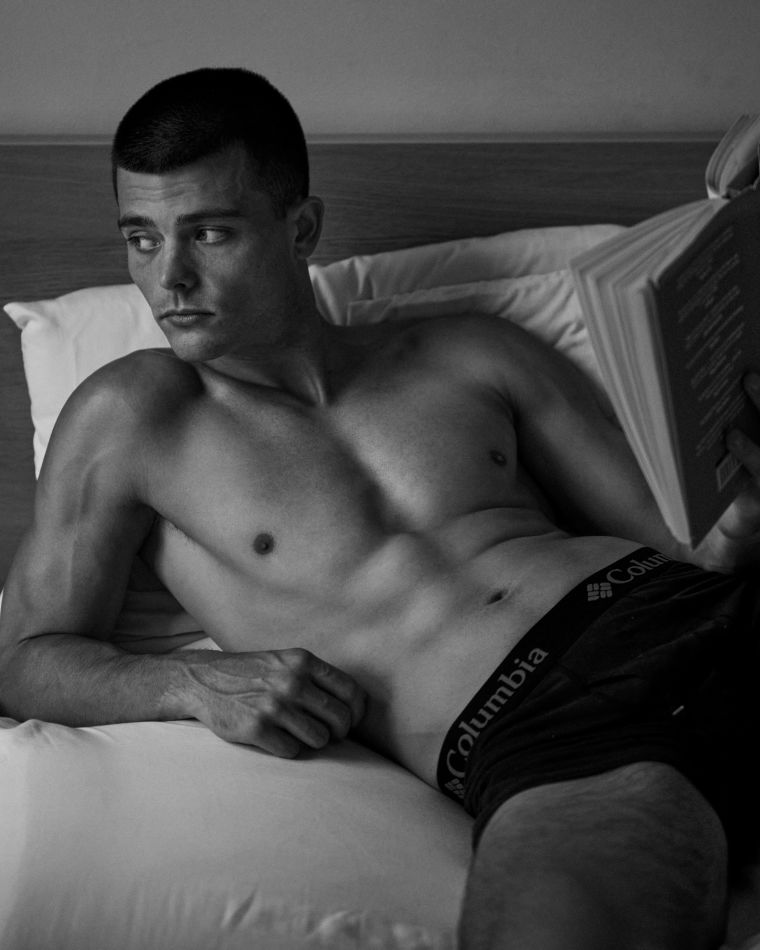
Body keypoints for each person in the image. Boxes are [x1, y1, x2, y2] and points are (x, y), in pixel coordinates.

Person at [1, 66, 759, 950]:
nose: (169, 276)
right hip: (549, 729)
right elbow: (22, 657)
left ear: (301, 228)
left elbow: (686, 543)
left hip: (697, 609)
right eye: (141, 238)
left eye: (209, 232)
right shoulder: (133, 416)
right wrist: (188, 684)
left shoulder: (472, 350)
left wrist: (737, 522)